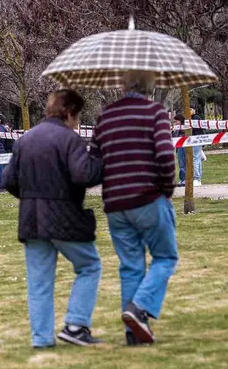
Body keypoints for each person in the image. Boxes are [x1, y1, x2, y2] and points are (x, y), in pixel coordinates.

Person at [3, 89, 104, 348]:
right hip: (63, 215)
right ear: (69, 113)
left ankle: (41, 338)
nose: (78, 121)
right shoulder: (69, 139)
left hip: (31, 217)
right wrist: (97, 156)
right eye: (78, 116)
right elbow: (84, 175)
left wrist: (31, 197)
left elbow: (9, 181)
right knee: (89, 266)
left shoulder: (25, 139)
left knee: (39, 282)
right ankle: (76, 324)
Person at [90, 71, 178, 346]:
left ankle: (134, 334)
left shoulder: (104, 117)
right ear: (150, 86)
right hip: (149, 197)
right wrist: (167, 188)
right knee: (165, 257)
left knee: (130, 267)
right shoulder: (156, 113)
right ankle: (139, 307)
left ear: (123, 85)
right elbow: (165, 154)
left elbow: (94, 167)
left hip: (115, 204)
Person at [172, 114, 187, 186]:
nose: (175, 123)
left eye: (176, 121)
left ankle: (185, 179)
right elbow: (174, 136)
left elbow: (181, 137)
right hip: (179, 147)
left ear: (180, 121)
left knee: (183, 163)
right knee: (181, 164)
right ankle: (182, 179)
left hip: (183, 146)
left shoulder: (184, 128)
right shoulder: (177, 128)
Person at [190, 108, 204, 186]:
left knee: (195, 159)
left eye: (190, 109)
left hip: (196, 140)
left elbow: (198, 130)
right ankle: (198, 178)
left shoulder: (196, 118)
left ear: (194, 110)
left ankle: (197, 178)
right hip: (192, 141)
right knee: (197, 159)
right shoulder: (189, 118)